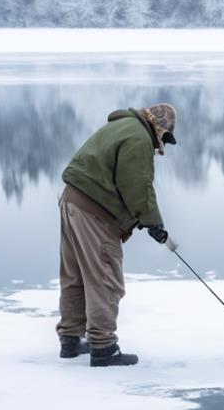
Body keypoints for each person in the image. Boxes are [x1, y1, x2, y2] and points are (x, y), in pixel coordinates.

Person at [55, 104, 177, 367]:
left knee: (75, 275)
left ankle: (71, 339)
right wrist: (153, 222)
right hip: (92, 211)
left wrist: (145, 220)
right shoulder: (138, 137)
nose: (161, 145)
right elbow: (136, 185)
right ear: (159, 126)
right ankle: (103, 347)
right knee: (104, 277)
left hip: (72, 201)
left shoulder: (122, 126)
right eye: (165, 137)